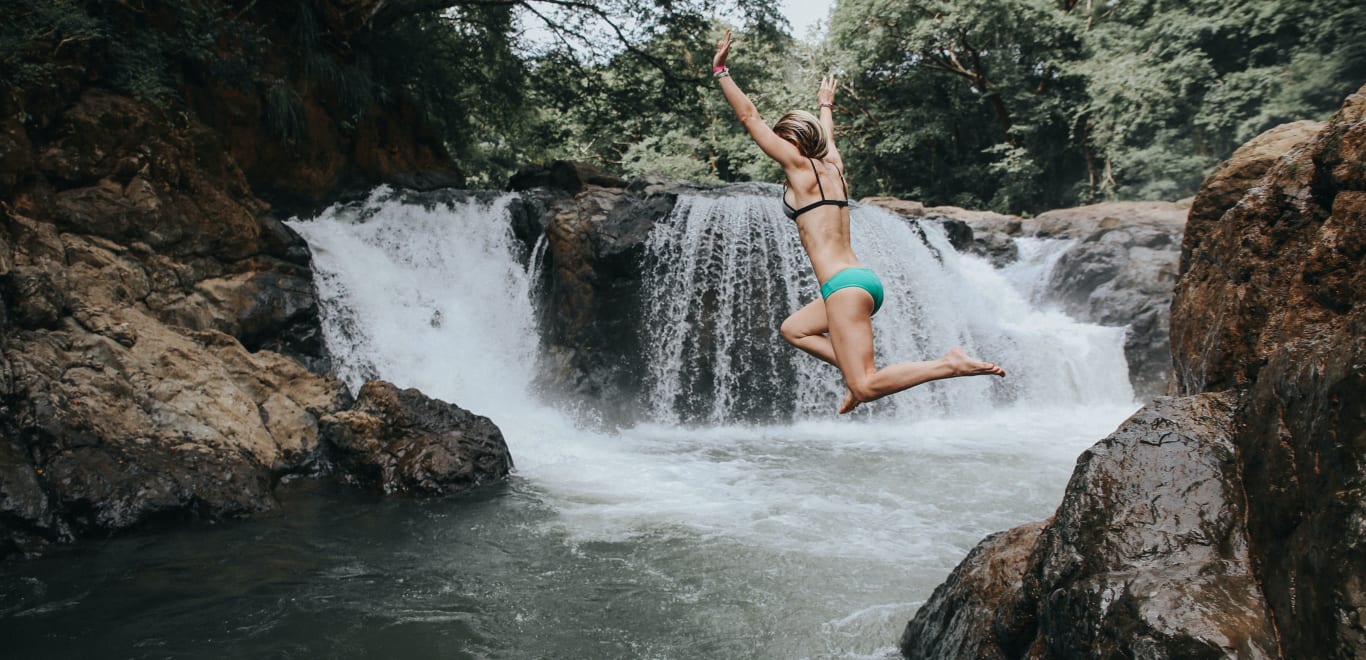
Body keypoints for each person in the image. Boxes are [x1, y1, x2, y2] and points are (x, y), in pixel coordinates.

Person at [711, 29, 1006, 414]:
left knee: (867, 387)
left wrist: (721, 71)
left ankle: (947, 364)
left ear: (791, 144)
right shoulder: (834, 169)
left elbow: (750, 116)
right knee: (793, 329)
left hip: (844, 289)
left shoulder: (799, 170)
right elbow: (829, 140)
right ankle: (852, 373)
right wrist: (825, 105)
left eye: (782, 142)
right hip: (861, 281)